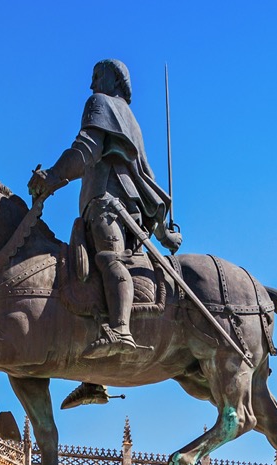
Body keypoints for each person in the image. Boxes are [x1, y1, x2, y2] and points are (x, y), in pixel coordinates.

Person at [29, 58, 182, 371]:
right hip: (118, 205)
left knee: (107, 259)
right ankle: (92, 373)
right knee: (82, 274)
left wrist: (52, 177)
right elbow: (146, 174)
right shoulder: (130, 119)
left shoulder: (101, 103)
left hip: (111, 203)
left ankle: (121, 330)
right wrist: (165, 232)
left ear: (115, 80)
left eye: (97, 75)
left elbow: (86, 150)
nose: (91, 84)